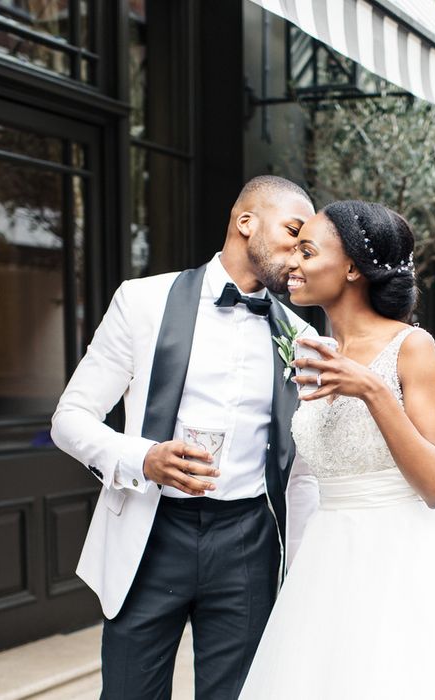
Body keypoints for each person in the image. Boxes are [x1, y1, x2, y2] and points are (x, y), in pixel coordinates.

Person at [239, 200, 435, 699]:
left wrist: (374, 391)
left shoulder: (411, 347)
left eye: (308, 251)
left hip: (400, 560)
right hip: (325, 561)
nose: (292, 263)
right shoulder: (314, 347)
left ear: (353, 267)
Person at [50, 175, 319, 698]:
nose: (299, 256)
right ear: (246, 223)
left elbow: (302, 471)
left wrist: (303, 569)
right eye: (292, 233)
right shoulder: (142, 301)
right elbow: (70, 417)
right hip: (151, 534)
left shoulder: (301, 337)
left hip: (249, 542)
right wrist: (143, 456)